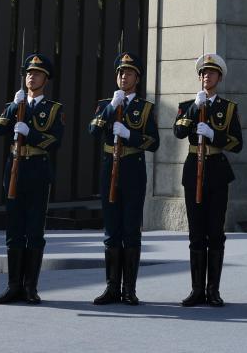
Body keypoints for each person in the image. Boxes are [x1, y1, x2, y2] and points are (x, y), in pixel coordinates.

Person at [0, 53, 64, 304]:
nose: (31, 77)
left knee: (34, 230)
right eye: (29, 73)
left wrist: (29, 133)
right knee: (14, 230)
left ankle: (30, 287)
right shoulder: (15, 104)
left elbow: (55, 141)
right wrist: (13, 107)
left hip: (37, 169)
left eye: (37, 74)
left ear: (46, 79)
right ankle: (13, 286)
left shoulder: (53, 109)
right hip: (14, 168)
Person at [88, 51, 159, 306]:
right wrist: (111, 108)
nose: (123, 77)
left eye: (128, 73)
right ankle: (111, 288)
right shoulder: (105, 104)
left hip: (132, 169)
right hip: (110, 168)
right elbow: (93, 130)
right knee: (111, 231)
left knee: (130, 230)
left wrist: (130, 135)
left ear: (137, 78)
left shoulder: (145, 108)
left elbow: (153, 142)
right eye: (120, 72)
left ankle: (129, 289)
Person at [173, 52, 243, 307]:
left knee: (215, 232)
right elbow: (179, 131)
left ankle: (213, 290)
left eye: (211, 73)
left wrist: (214, 135)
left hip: (217, 171)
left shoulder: (228, 108)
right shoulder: (187, 106)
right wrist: (195, 108)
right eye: (203, 73)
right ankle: (196, 290)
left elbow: (237, 144)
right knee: (196, 233)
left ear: (219, 78)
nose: (206, 76)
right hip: (194, 170)